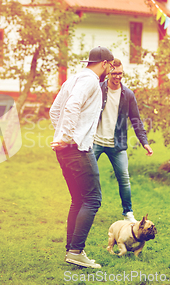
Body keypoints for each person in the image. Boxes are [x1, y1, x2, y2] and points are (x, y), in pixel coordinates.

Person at [49, 46, 114, 269]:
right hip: (77, 149)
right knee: (93, 199)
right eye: (110, 66)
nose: (110, 70)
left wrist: (61, 137)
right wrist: (68, 137)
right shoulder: (90, 81)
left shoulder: (72, 79)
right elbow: (72, 105)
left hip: (64, 150)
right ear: (105, 64)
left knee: (78, 200)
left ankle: (72, 250)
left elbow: (54, 111)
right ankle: (76, 250)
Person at [93, 58, 153, 223]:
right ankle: (85, 208)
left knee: (124, 178)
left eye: (120, 73)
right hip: (95, 141)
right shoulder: (98, 89)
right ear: (108, 73)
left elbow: (136, 120)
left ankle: (128, 212)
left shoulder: (128, 95)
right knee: (87, 176)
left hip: (117, 144)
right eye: (114, 73)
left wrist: (145, 143)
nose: (117, 77)